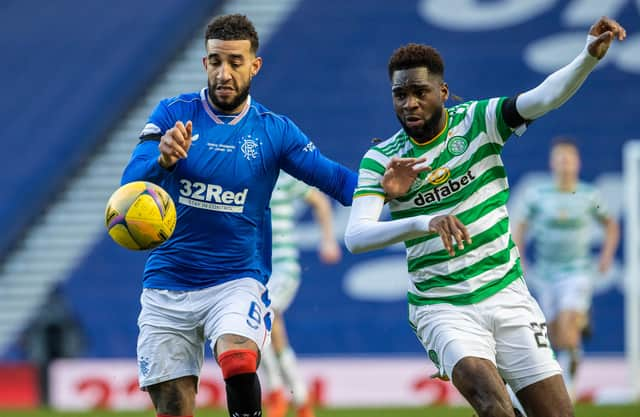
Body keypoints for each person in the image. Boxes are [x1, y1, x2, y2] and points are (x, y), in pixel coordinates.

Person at [343, 16, 626, 417]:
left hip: (507, 295)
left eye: (419, 92)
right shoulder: (382, 159)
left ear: (442, 91)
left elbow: (543, 97)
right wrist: (424, 219)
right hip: (442, 305)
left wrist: (586, 57)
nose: (409, 103)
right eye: (399, 94)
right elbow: (356, 237)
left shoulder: (480, 122)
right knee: (492, 405)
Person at [120, 14, 357, 417]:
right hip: (168, 280)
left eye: (234, 62)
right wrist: (161, 158)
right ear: (205, 63)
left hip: (236, 278)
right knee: (174, 408)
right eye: (215, 61)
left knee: (239, 357)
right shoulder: (171, 114)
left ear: (254, 66)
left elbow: (336, 180)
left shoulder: (274, 131)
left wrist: (389, 186)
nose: (224, 73)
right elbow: (130, 184)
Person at [512, 137, 620, 400]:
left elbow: (610, 224)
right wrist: (521, 259)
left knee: (568, 323)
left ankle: (568, 387)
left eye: (569, 158)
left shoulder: (589, 195)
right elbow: (520, 227)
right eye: (560, 159)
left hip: (578, 271)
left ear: (577, 163)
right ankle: (570, 352)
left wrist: (606, 256)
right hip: (546, 273)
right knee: (554, 333)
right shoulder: (538, 195)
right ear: (552, 163)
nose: (565, 164)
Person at [261, 171, 341, 417]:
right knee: (263, 330)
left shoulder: (284, 178)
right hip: (256, 268)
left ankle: (276, 392)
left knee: (265, 314)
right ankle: (302, 400)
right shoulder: (245, 174)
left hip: (284, 267)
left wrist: (328, 240)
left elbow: (319, 201)